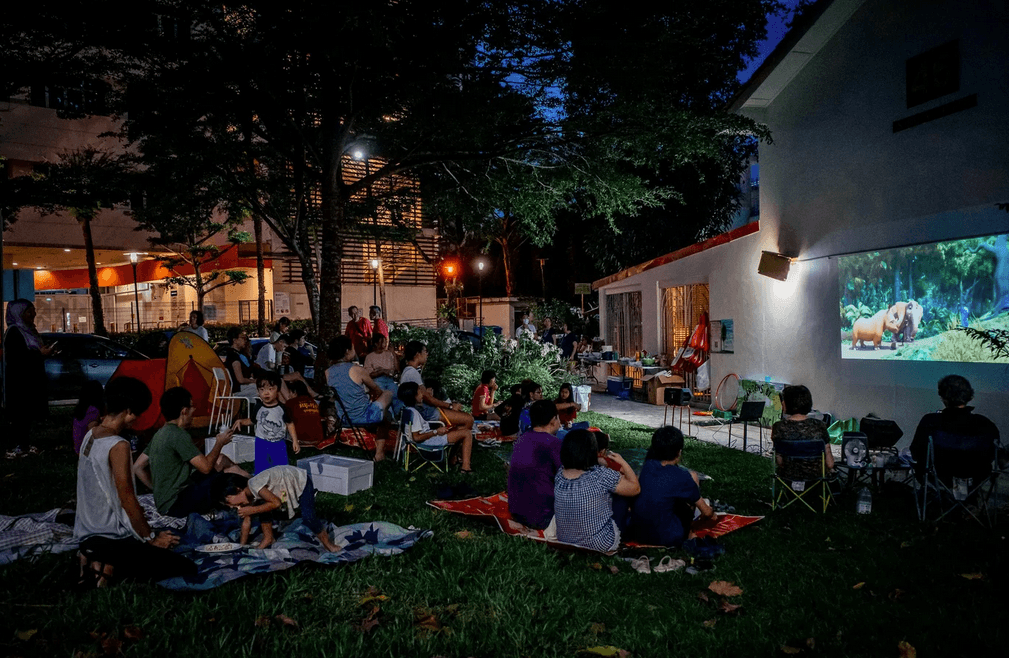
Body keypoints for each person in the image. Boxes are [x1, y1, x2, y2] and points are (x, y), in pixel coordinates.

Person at [74, 377, 196, 587]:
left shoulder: (91, 435)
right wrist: (150, 539)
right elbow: (127, 497)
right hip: (111, 535)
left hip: (87, 532)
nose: (136, 420)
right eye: (137, 414)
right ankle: (108, 567)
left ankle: (94, 556)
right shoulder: (118, 445)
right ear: (129, 411)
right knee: (185, 567)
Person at [133, 387, 250, 516]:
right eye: (191, 406)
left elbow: (138, 466)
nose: (194, 410)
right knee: (225, 481)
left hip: (168, 501)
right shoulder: (178, 435)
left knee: (221, 459)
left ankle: (253, 481)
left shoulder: (160, 433)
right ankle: (254, 491)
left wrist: (157, 491)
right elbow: (205, 468)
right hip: (177, 504)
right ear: (184, 411)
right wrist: (219, 443)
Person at [628, 427, 716, 548]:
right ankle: (690, 534)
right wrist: (712, 514)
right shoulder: (682, 476)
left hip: (638, 533)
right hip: (668, 537)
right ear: (678, 452)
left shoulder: (647, 467)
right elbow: (706, 513)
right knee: (692, 482)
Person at [554, 429, 640, 552]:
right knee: (621, 497)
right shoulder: (600, 475)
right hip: (601, 544)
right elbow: (635, 488)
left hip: (566, 541)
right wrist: (622, 462)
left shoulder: (560, 475)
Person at [219, 469, 340, 552]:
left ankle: (329, 544)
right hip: (284, 485)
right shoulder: (248, 498)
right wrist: (241, 546)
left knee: (308, 516)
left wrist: (253, 510)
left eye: (229, 501)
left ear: (237, 490)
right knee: (261, 507)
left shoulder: (255, 486)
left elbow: (276, 503)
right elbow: (246, 523)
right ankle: (268, 538)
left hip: (301, 481)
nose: (231, 506)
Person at [910, 375, 1001, 483]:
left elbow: (916, 453)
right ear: (969, 396)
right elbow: (991, 456)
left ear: (943, 397)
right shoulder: (985, 424)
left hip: (938, 479)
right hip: (975, 481)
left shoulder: (930, 422)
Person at [326, 335, 393, 460]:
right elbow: (377, 390)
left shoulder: (328, 372)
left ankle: (378, 429)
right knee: (388, 395)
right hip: (364, 416)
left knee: (384, 412)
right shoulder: (356, 369)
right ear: (347, 351)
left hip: (344, 418)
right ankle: (379, 454)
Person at [2, 299, 54, 458]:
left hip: (30, 381)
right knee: (19, 415)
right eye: (29, 311)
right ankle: (17, 446)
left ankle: (24, 444)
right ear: (19, 313)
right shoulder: (14, 332)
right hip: (19, 383)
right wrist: (39, 354)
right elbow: (17, 358)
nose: (33, 314)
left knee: (26, 416)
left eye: (33, 310)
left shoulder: (28, 331)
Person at [507, 400, 564, 529]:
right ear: (553, 420)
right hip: (544, 516)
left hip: (516, 512)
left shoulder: (521, 440)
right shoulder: (554, 444)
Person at [400, 340, 474, 434]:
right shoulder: (412, 373)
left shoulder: (409, 371)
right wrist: (450, 406)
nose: (427, 354)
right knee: (468, 419)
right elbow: (428, 399)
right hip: (425, 412)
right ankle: (448, 441)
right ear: (417, 354)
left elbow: (424, 395)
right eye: (425, 351)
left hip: (424, 410)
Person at [398, 381, 474, 472]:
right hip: (428, 441)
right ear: (413, 396)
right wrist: (436, 432)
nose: (422, 393)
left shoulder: (407, 410)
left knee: (458, 430)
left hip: (427, 438)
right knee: (467, 433)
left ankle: (454, 459)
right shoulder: (414, 414)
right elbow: (417, 437)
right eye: (419, 391)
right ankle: (466, 467)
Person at [232, 371, 299, 474]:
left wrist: (294, 440)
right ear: (258, 391)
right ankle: (261, 485)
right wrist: (242, 421)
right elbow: (253, 420)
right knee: (261, 468)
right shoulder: (258, 407)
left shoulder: (282, 408)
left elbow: (289, 424)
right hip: (261, 443)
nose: (266, 393)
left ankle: (281, 487)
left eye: (271, 389)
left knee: (281, 469)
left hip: (278, 443)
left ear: (278, 390)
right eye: (262, 390)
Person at [771, 385, 834, 480]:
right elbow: (829, 464)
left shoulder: (779, 427)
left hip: (788, 475)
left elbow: (779, 461)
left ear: (787, 403)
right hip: (816, 477)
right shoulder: (820, 426)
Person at [364, 333, 400, 413]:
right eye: (383, 342)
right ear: (376, 344)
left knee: (396, 394)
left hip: (390, 380)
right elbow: (369, 375)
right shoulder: (370, 357)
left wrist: (393, 353)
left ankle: (398, 414)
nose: (385, 344)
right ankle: (388, 415)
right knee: (382, 396)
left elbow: (397, 369)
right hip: (377, 380)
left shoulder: (389, 354)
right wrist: (381, 372)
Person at [283, 379, 324, 448]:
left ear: (295, 392)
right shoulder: (313, 402)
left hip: (301, 439)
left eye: (290, 392)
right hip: (318, 439)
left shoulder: (290, 403)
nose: (289, 395)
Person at [224, 327, 258, 403]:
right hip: (238, 389)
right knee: (262, 389)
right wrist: (255, 381)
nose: (245, 340)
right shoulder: (234, 357)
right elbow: (240, 379)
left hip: (240, 388)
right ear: (235, 340)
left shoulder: (236, 354)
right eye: (242, 338)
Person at [73, 380, 105, 456]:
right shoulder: (93, 411)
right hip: (86, 451)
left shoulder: (81, 409)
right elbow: (93, 433)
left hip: (79, 448)